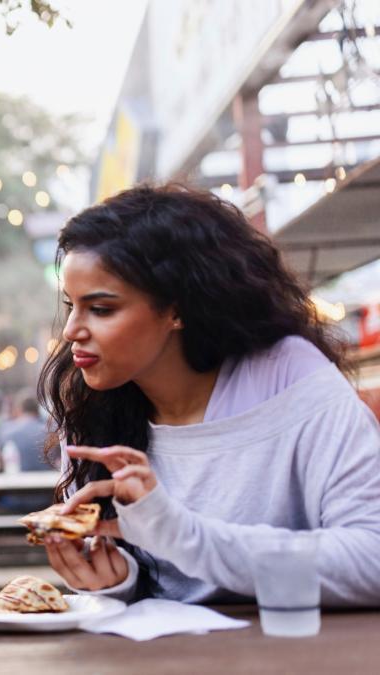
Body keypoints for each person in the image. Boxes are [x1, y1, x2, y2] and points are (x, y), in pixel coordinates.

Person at [38, 183, 380, 606]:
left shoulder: (286, 374)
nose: (71, 330)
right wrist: (115, 579)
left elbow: (372, 560)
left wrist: (179, 533)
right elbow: (151, 588)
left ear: (178, 309)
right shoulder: (93, 407)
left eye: (102, 309)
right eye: (71, 306)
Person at [0, 390, 53, 473]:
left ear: (19, 409)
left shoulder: (6, 431)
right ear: (37, 410)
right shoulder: (50, 432)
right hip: (49, 483)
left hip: (15, 483)